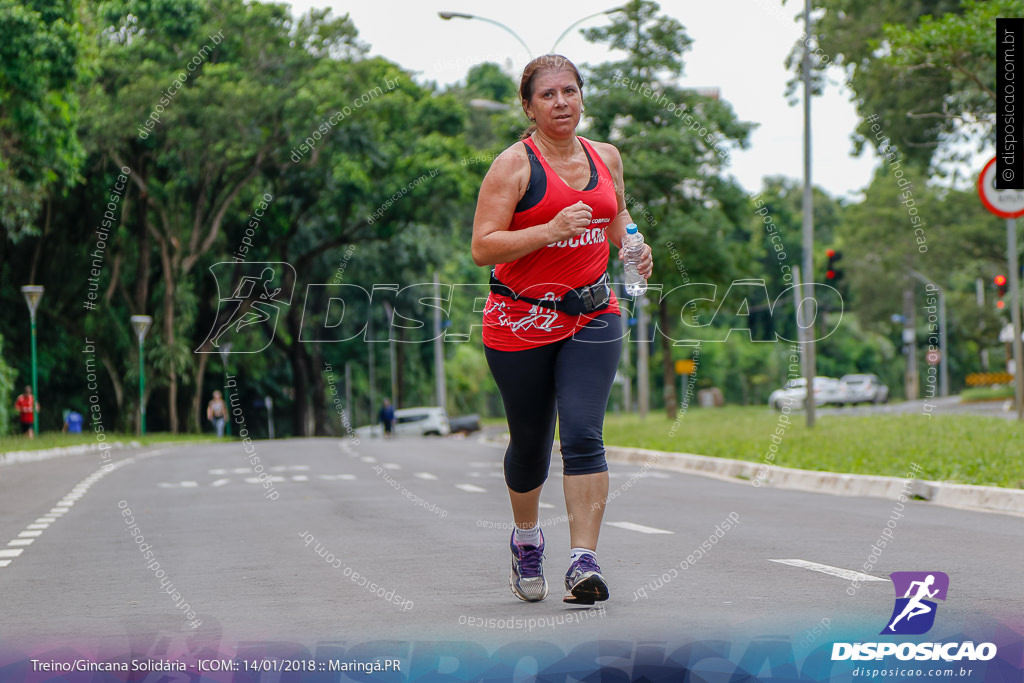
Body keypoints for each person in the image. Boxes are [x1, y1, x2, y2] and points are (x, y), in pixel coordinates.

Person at [471, 54, 652, 605]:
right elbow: (482, 246)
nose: (561, 103)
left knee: (581, 434)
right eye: (547, 95)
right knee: (530, 446)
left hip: (593, 314)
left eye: (569, 92)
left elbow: (616, 212)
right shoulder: (513, 166)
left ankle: (583, 562)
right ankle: (527, 541)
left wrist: (633, 246)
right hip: (520, 320)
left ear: (581, 97)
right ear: (528, 106)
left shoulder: (606, 157)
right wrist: (548, 230)